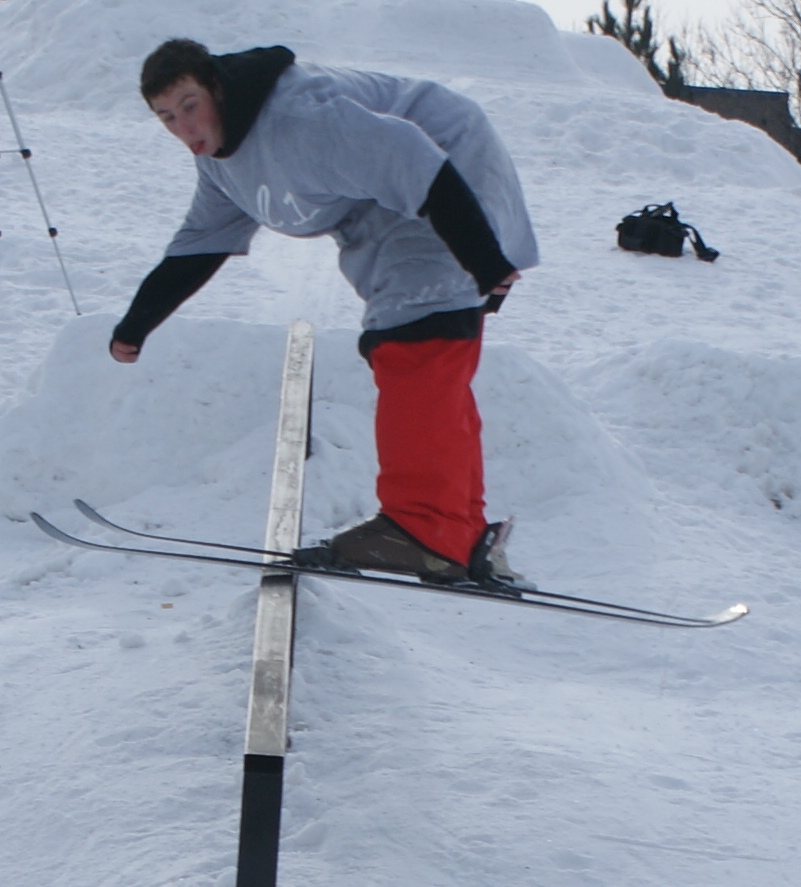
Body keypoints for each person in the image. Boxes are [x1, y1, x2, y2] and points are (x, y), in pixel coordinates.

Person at [106, 38, 539, 587]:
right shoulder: (222, 164)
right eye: (166, 117)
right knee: (416, 340)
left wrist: (482, 258)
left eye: (190, 104)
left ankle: (428, 533)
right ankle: (457, 530)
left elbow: (408, 156)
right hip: (385, 202)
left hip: (448, 164)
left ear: (217, 87)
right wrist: (135, 326)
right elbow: (201, 245)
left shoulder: (297, 121)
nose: (183, 127)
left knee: (418, 340)